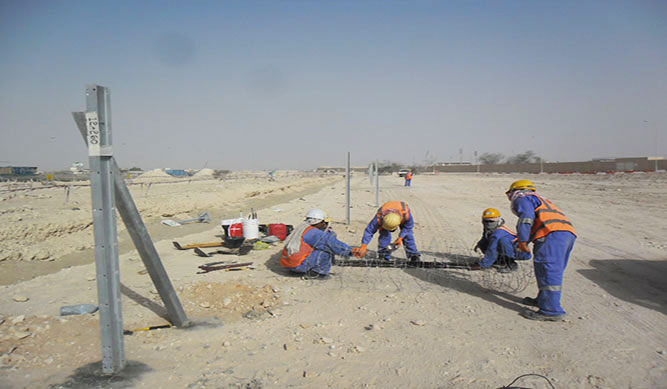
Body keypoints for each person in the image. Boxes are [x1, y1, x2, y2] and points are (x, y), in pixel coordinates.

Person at [507, 179, 577, 321]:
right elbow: (538, 221)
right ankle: (543, 300)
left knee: (548, 270)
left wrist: (522, 241)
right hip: (566, 234)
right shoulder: (542, 201)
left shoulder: (523, 198)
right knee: (549, 270)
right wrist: (524, 240)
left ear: (515, 191)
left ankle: (551, 311)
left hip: (551, 235)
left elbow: (526, 219)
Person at [281, 209, 363, 279]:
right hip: (298, 265)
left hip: (288, 263)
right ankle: (317, 273)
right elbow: (333, 244)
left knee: (323, 244)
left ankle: (300, 269)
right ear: (320, 222)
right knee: (326, 250)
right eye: (324, 222)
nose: (325, 224)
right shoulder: (314, 233)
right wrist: (351, 251)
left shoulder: (302, 227)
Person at [356, 201, 421, 261]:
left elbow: (408, 227)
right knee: (384, 235)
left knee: (408, 235)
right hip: (387, 216)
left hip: (400, 214)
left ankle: (413, 255)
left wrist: (400, 238)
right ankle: (383, 255)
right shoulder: (379, 218)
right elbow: (369, 231)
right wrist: (364, 246)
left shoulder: (406, 215)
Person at [475, 208, 531, 273]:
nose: (488, 224)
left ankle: (510, 264)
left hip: (521, 252)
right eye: (486, 221)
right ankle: (499, 261)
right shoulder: (490, 230)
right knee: (484, 243)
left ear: (498, 220)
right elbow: (485, 238)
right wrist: (479, 244)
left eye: (491, 221)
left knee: (503, 241)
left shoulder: (499, 232)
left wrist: (482, 265)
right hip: (512, 248)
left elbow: (492, 249)